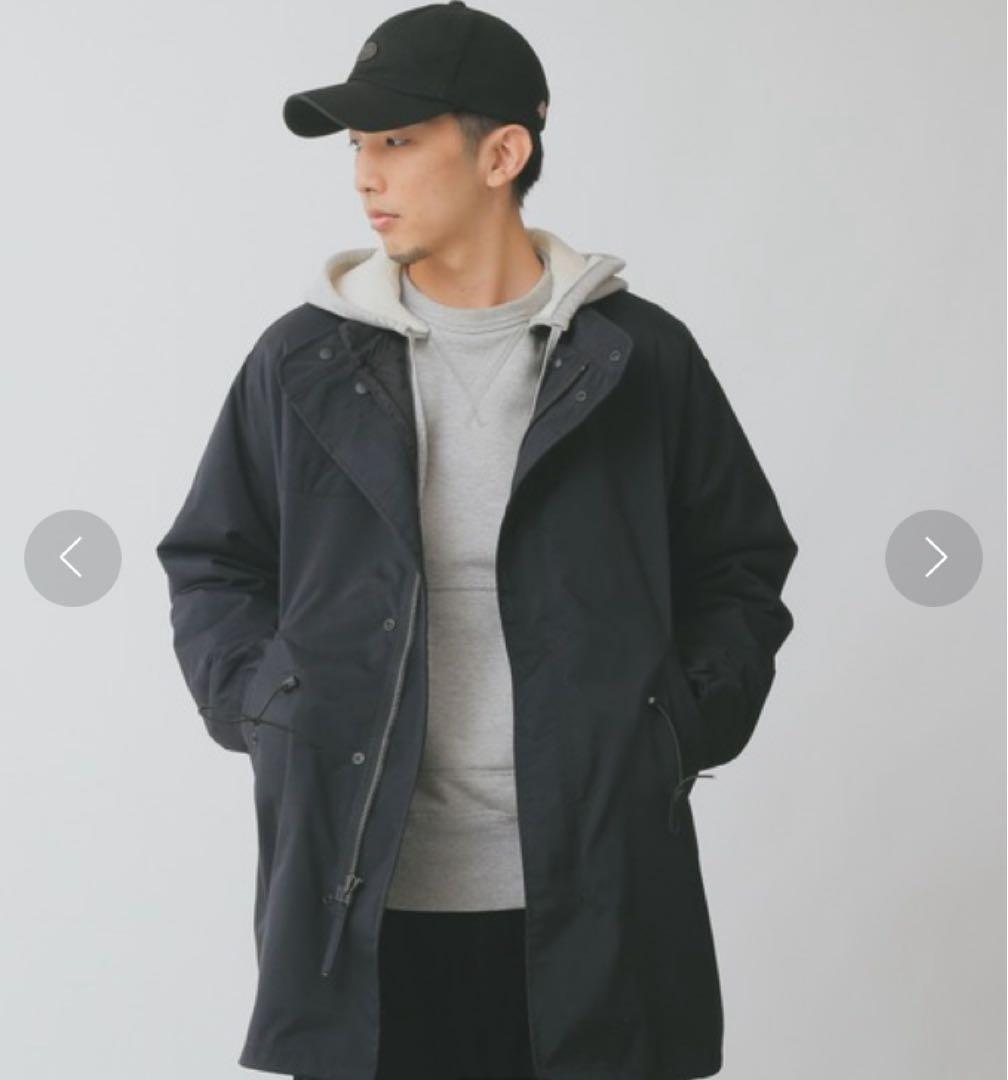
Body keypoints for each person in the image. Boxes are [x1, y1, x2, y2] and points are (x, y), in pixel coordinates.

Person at [155, 3, 799, 1079]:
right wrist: (268, 707)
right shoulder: (303, 361)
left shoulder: (638, 358)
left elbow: (740, 564)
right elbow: (213, 561)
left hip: (594, 896)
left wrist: (674, 724)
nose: (366, 174)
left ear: (503, 154)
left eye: (397, 140)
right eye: (356, 146)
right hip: (358, 905)